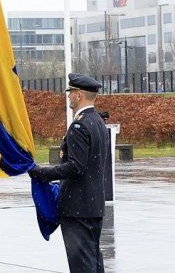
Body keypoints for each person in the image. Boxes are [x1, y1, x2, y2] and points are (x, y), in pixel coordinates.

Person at [29, 73, 107, 272]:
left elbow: (76, 167)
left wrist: (42, 173)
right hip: (93, 206)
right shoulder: (97, 121)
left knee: (82, 266)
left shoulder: (80, 126)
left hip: (77, 208)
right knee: (94, 263)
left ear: (79, 95)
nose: (69, 97)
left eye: (71, 93)